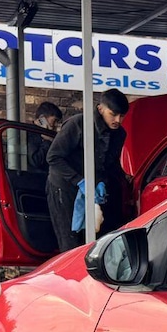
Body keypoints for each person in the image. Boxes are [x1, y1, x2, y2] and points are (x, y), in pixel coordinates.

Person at [45, 89, 129, 251]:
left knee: (95, 242)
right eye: (113, 114)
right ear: (100, 109)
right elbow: (54, 158)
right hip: (64, 188)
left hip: (93, 190)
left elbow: (110, 164)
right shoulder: (78, 124)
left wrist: (109, 180)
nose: (118, 120)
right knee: (70, 242)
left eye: (122, 116)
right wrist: (80, 181)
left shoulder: (119, 134)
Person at [25, 101, 62, 172]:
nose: (56, 125)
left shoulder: (50, 135)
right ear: (42, 119)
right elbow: (35, 161)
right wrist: (47, 141)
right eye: (54, 121)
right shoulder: (31, 133)